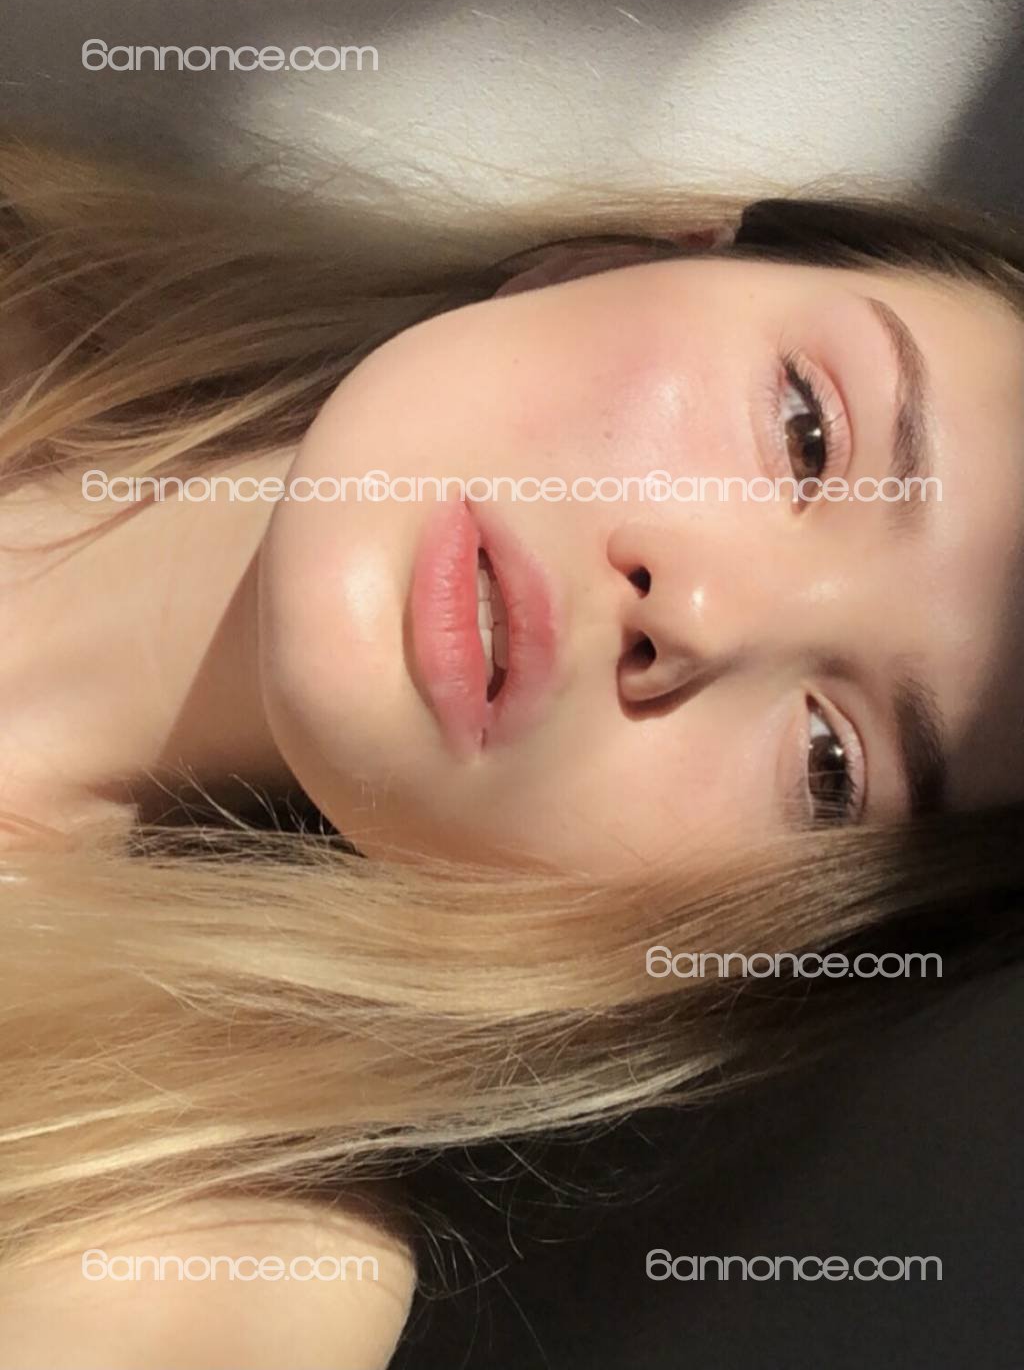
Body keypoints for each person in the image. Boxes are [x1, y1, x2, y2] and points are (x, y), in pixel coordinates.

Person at [1, 137, 1022, 1368]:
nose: (697, 616)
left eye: (827, 764)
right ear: (621, 258)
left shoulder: (199, 1259)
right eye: (808, 431)